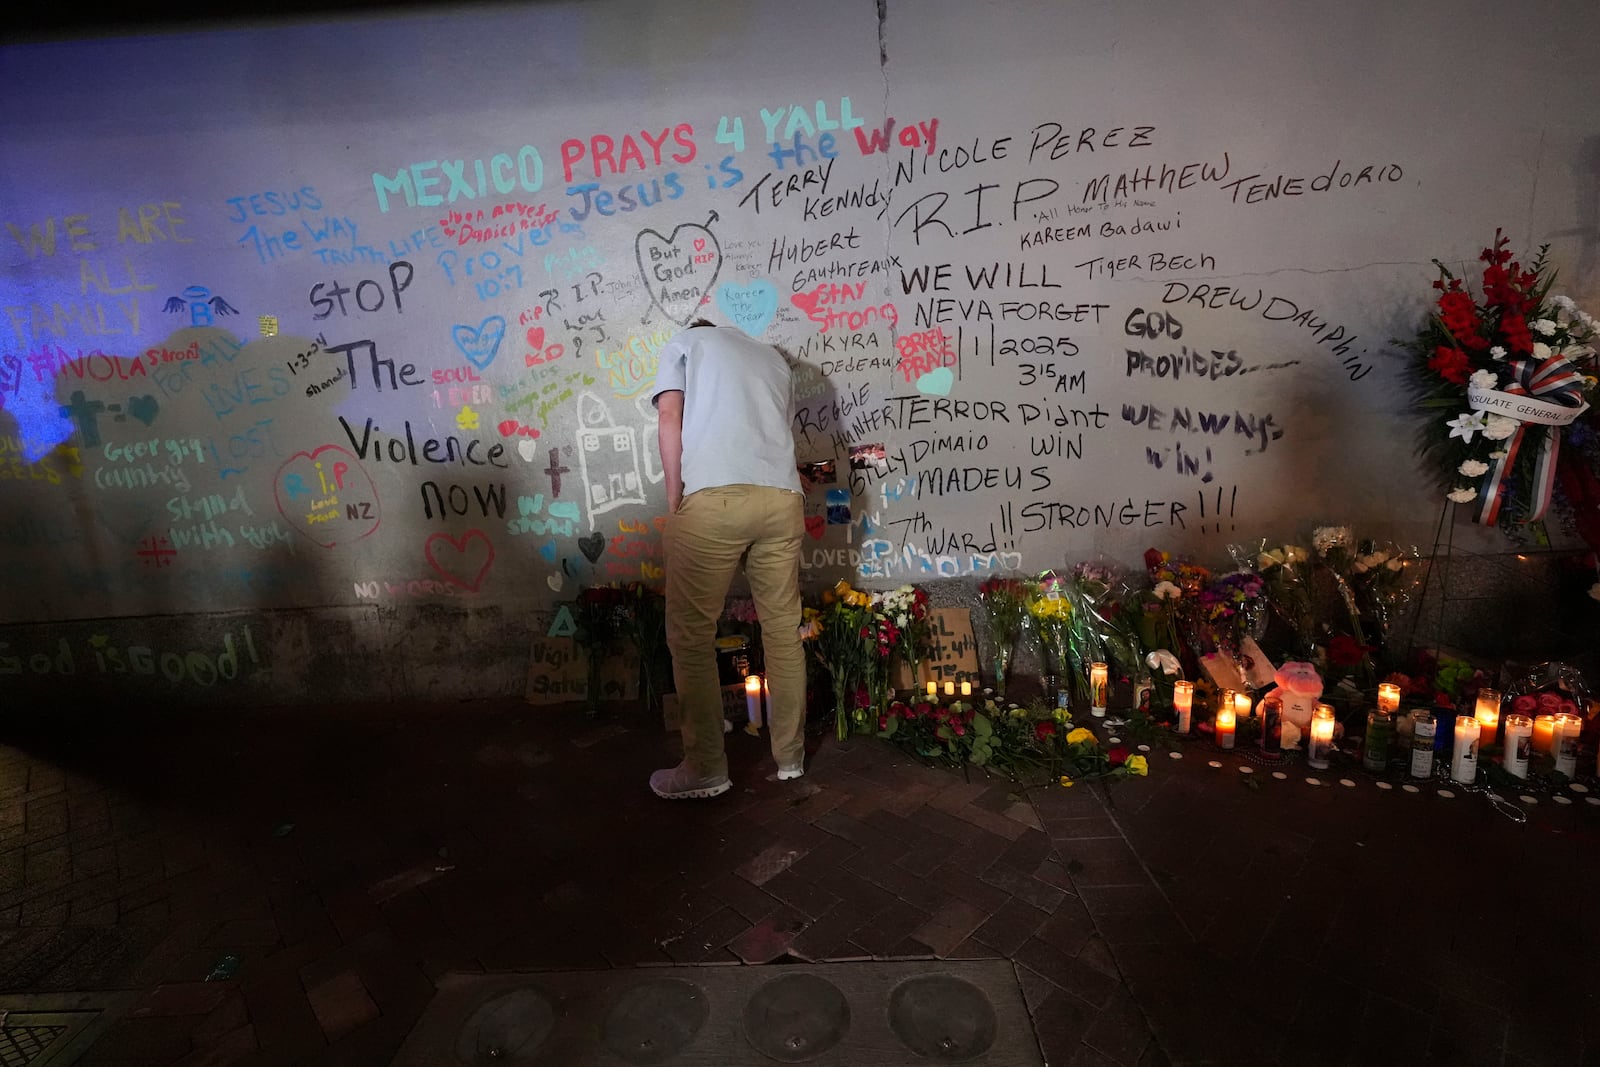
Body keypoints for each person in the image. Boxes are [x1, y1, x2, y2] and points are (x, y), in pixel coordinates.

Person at [647, 319, 808, 799]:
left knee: (691, 636)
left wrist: (674, 499)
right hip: (783, 498)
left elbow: (669, 417)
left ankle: (706, 769)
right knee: (783, 631)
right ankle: (791, 759)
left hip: (716, 498)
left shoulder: (686, 341)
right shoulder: (774, 360)